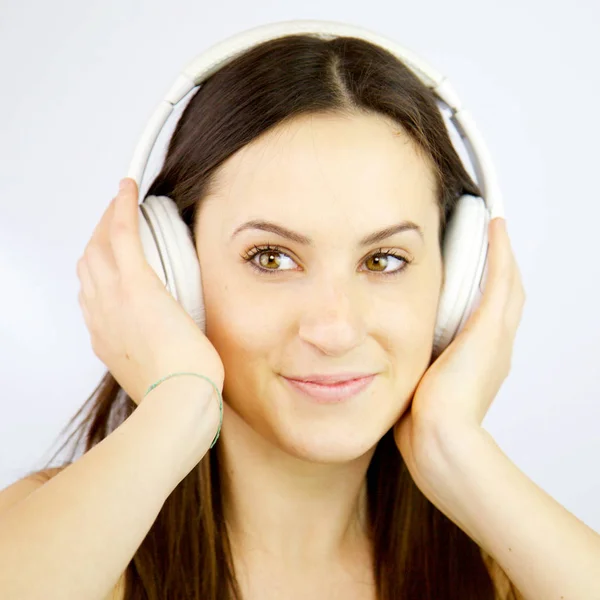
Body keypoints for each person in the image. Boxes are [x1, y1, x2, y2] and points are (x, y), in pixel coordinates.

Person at [0, 32, 598, 600]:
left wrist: (456, 449)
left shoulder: (512, 569)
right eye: (271, 257)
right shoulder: (55, 546)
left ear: (456, 284)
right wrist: (179, 402)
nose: (334, 330)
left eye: (385, 259)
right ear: (171, 273)